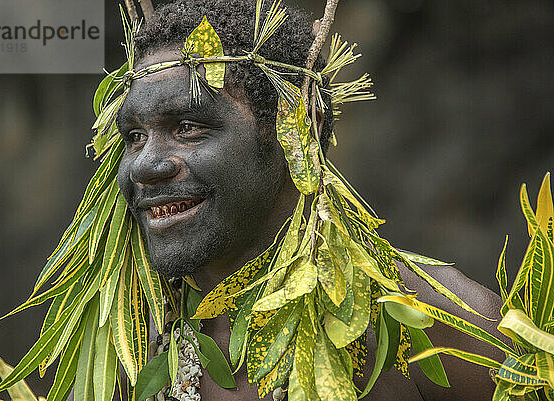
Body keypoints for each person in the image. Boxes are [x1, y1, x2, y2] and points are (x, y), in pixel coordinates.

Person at [110, 1, 508, 400]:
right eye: (135, 137)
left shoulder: (435, 322)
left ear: (299, 128)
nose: (144, 166)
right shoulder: (129, 350)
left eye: (187, 127)